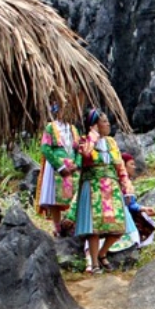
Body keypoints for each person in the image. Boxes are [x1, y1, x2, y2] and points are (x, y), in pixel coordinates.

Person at [70, 108, 135, 273]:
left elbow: (120, 166)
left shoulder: (111, 143)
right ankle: (95, 264)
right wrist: (93, 136)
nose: (108, 125)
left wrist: (127, 187)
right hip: (93, 187)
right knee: (94, 229)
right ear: (95, 125)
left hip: (111, 187)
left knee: (119, 228)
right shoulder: (85, 141)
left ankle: (102, 253)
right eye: (104, 122)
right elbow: (85, 156)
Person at [35, 102, 80, 237]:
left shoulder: (73, 129)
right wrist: (59, 166)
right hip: (57, 168)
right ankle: (57, 226)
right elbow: (46, 148)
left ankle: (72, 224)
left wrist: (77, 164)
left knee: (74, 195)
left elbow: (79, 149)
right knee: (56, 199)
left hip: (72, 167)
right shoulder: (51, 127)